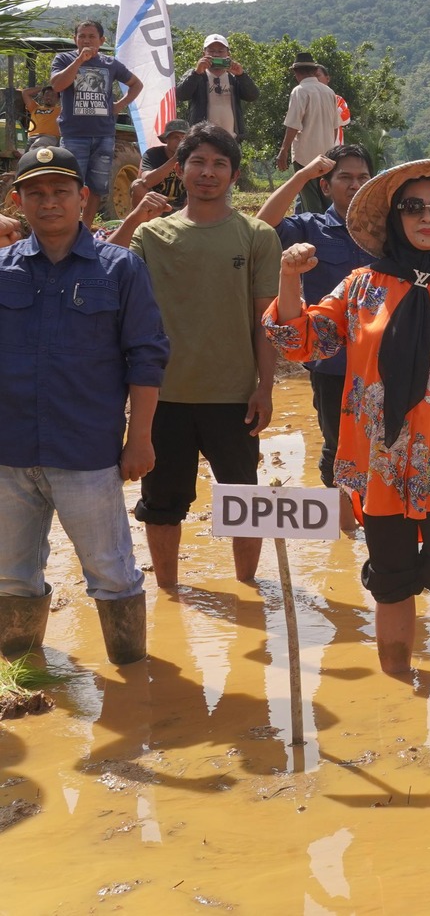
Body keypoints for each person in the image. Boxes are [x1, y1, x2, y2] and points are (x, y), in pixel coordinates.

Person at [267, 158, 430, 678]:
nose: (428, 217)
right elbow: (300, 339)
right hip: (380, 467)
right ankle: (397, 692)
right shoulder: (361, 287)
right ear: (396, 217)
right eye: (414, 207)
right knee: (391, 582)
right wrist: (290, 278)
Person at [0, 144, 168, 666]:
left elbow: (147, 358)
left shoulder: (121, 269)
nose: (49, 202)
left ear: (84, 198)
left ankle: (133, 678)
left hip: (88, 454)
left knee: (113, 573)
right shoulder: (3, 268)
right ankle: (23, 673)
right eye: (36, 193)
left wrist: (138, 439)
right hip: (9, 452)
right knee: (10, 573)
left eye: (60, 191)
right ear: (18, 201)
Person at [115, 123, 279, 589]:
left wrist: (264, 388)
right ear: (180, 171)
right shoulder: (151, 235)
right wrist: (132, 216)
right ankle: (168, 592)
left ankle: (247, 587)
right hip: (162, 397)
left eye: (219, 164)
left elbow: (263, 321)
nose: (208, 172)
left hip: (234, 397)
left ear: (234, 174)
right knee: (162, 503)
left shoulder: (257, 235)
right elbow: (103, 272)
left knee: (243, 501)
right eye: (198, 163)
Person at [259, 145, 377, 530]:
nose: (355, 185)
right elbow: (262, 226)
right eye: (345, 177)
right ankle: (346, 531)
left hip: (384, 360)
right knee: (337, 446)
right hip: (333, 362)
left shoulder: (385, 228)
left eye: (363, 177)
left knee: (389, 444)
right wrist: (301, 174)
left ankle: (383, 522)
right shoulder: (309, 227)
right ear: (326, 186)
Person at [49, 20, 139, 217]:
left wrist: (119, 106)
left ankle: (86, 232)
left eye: (91, 36)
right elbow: (57, 85)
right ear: (75, 39)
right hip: (74, 135)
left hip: (104, 135)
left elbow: (136, 84)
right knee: (70, 185)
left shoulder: (111, 63)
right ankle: (71, 227)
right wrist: (79, 61)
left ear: (101, 40)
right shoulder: (64, 59)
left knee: (98, 188)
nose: (86, 40)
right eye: (82, 36)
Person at [277, 52, 339, 214]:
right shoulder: (329, 92)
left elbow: (293, 125)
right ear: (313, 70)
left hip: (305, 155)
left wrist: (283, 151)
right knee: (326, 199)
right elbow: (334, 126)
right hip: (326, 155)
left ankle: (314, 234)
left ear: (296, 73)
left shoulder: (299, 91)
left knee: (310, 202)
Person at [175, 34, 258, 138]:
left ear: (228, 54)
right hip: (202, 139)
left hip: (231, 139)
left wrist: (241, 75)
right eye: (211, 51)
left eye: (220, 51)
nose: (216, 54)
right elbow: (181, 95)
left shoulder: (234, 77)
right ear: (203, 53)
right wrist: (196, 73)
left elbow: (252, 96)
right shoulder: (195, 75)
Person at [131, 117, 193, 211]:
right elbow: (146, 181)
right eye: (175, 137)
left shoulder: (193, 156)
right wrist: (174, 160)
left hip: (181, 205)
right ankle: (141, 221)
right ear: (166, 140)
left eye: (184, 137)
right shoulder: (153, 154)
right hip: (154, 203)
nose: (180, 141)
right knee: (137, 185)